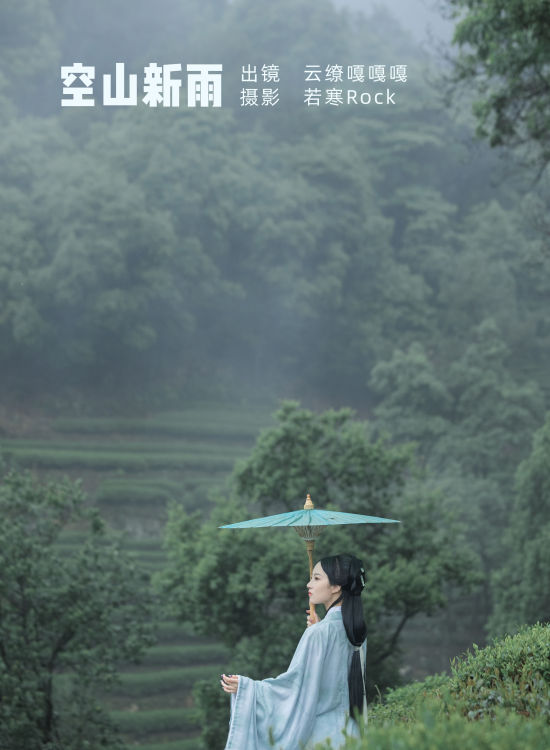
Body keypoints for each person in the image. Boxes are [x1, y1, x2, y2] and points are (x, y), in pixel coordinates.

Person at [220, 553, 367, 750]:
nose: (308, 584)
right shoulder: (357, 632)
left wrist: (248, 688)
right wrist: (320, 628)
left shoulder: (319, 634)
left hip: (321, 740)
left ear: (336, 586)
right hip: (351, 735)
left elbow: (294, 689)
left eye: (316, 578)